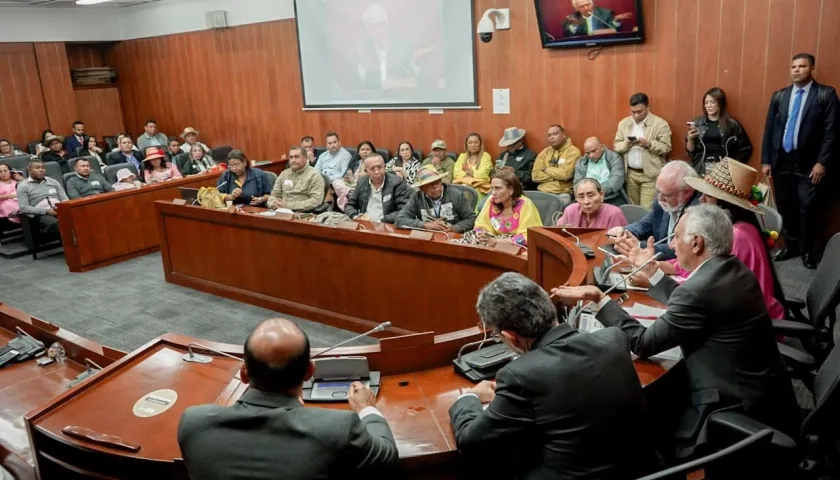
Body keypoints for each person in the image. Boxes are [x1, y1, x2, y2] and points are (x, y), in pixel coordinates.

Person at [551, 204, 801, 459]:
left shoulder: (699, 290)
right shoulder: (731, 269)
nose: (670, 245)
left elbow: (643, 344)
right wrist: (651, 272)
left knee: (634, 423)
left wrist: (599, 299)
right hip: (767, 393)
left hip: (731, 404)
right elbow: (693, 302)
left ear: (696, 243)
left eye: (676, 236)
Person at [450, 272, 659, 479]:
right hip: (648, 472)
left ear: (510, 336)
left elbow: (472, 442)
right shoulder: (613, 339)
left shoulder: (520, 375)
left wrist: (470, 398)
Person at [178, 318, 399, 480]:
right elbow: (387, 457)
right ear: (309, 371)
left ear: (244, 374)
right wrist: (367, 410)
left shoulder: (193, 422)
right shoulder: (339, 429)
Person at [761, 53, 838, 269]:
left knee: (808, 207)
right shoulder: (780, 96)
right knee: (786, 206)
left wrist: (822, 162)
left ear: (812, 68)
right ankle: (792, 246)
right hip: (781, 160)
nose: (796, 70)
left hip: (809, 163)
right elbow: (769, 129)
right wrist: (766, 160)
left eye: (802, 66)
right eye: (793, 66)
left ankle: (807, 251)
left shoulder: (825, 94)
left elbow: (832, 132)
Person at [608, 161, 701, 260]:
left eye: (666, 195)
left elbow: (680, 249)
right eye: (658, 191)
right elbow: (644, 225)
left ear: (687, 192)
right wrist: (623, 231)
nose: (660, 198)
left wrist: (640, 246)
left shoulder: (698, 212)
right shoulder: (661, 202)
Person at [614, 93, 673, 209]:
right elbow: (616, 145)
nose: (636, 115)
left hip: (650, 175)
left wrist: (648, 144)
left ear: (648, 107)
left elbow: (666, 148)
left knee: (646, 211)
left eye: (639, 111)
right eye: (633, 112)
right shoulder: (624, 123)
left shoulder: (660, 124)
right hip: (630, 174)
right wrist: (627, 144)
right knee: (633, 209)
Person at [686, 87, 753, 175]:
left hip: (724, 170)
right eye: (706, 103)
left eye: (712, 102)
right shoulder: (698, 123)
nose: (709, 105)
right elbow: (691, 152)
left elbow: (746, 148)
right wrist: (690, 139)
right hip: (702, 167)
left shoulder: (732, 124)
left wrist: (734, 167)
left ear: (720, 104)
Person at [396, 165, 476, 233]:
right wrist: (425, 225)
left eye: (437, 182)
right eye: (430, 184)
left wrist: (455, 228)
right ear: (422, 188)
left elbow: (471, 218)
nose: (435, 187)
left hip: (452, 237)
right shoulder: (416, 197)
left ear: (441, 181)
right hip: (427, 238)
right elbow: (399, 220)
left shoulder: (456, 195)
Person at [474, 169, 541, 246]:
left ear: (511, 190)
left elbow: (527, 237)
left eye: (498, 188)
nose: (493, 193)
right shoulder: (491, 200)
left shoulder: (525, 204)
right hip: (492, 246)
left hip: (519, 250)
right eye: (492, 188)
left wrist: (497, 242)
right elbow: (480, 225)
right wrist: (481, 234)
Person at [345, 154, 410, 223]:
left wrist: (381, 221)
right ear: (366, 171)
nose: (377, 172)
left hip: (387, 225)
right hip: (365, 225)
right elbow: (350, 205)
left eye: (379, 167)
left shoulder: (397, 182)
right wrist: (355, 216)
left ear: (384, 167)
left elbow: (404, 210)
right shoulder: (362, 181)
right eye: (372, 169)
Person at [531, 124, 582, 209]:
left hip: (562, 193)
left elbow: (566, 174)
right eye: (549, 135)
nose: (551, 137)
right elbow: (535, 175)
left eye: (555, 134)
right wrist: (555, 177)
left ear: (563, 135)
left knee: (554, 211)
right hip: (543, 191)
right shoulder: (544, 152)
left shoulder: (573, 152)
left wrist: (546, 169)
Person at [16, 159, 68, 234]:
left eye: (43, 168)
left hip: (59, 210)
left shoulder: (52, 181)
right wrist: (46, 211)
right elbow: (24, 208)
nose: (41, 170)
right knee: (58, 224)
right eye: (37, 168)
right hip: (40, 215)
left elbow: (64, 199)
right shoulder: (23, 186)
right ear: (29, 170)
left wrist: (63, 208)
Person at [267, 146, 325, 212]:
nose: (293, 160)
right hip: (280, 211)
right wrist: (273, 204)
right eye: (291, 157)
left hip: (302, 213)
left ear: (306, 158)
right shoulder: (284, 174)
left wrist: (288, 206)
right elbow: (274, 195)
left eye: (296, 157)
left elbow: (315, 201)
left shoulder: (314, 175)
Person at [573, 137, 627, 205]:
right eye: (588, 153)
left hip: (610, 197)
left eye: (593, 151)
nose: (591, 155)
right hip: (586, 198)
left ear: (601, 147)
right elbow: (577, 184)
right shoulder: (581, 163)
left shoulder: (614, 158)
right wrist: (589, 194)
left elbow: (615, 183)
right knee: (567, 209)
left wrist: (593, 192)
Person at [556, 178, 627, 229]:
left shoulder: (614, 214)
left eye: (591, 195)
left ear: (601, 195)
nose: (586, 202)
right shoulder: (570, 210)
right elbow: (558, 235)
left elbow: (619, 246)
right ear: (576, 198)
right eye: (581, 197)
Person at [314, 132, 353, 211]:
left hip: (337, 181)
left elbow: (343, 174)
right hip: (321, 179)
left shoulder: (345, 155)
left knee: (327, 187)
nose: (332, 145)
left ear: (339, 142)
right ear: (326, 145)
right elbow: (316, 170)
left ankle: (328, 211)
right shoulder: (323, 155)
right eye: (330, 143)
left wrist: (327, 178)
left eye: (334, 142)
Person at [562, 0, 633, 37]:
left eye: (587, 4)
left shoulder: (606, 14)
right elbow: (568, 35)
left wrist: (616, 20)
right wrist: (574, 25)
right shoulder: (572, 18)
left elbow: (615, 30)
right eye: (582, 6)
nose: (586, 8)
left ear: (592, 4)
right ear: (577, 9)